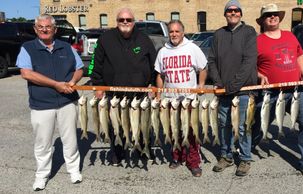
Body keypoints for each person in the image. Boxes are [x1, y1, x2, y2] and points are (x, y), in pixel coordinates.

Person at [16, 14, 83, 191]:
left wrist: (73, 82)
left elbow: (79, 69)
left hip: (68, 102)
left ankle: (74, 170)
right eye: (41, 27)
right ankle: (41, 175)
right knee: (42, 143)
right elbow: (26, 73)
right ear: (35, 29)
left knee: (70, 140)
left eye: (48, 27)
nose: (44, 30)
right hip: (41, 104)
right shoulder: (27, 48)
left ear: (54, 29)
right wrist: (55, 85)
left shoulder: (66, 47)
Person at [253, 3, 303, 179]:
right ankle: (246, 147)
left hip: (295, 90)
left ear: (279, 18)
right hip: (271, 93)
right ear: (263, 20)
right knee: (258, 125)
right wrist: (259, 75)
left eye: (275, 14)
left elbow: (299, 56)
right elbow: (250, 65)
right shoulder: (257, 41)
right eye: (269, 15)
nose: (273, 17)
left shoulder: (290, 36)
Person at [89, 8, 157, 165]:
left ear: (134, 22)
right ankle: (118, 153)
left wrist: (153, 84)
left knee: (142, 124)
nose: (125, 22)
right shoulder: (106, 38)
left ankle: (143, 150)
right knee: (116, 125)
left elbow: (154, 63)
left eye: (128, 20)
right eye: (121, 20)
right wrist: (98, 86)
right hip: (114, 92)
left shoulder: (144, 38)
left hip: (139, 93)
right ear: (116, 22)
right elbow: (95, 64)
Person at [208, 0, 258, 177]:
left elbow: (249, 61)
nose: (233, 13)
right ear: (225, 14)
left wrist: (232, 86)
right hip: (224, 91)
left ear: (241, 14)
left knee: (243, 126)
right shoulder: (218, 34)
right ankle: (226, 156)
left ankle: (245, 158)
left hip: (243, 90)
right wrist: (218, 81)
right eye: (230, 10)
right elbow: (212, 60)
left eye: (237, 10)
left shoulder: (249, 32)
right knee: (224, 125)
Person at [154, 20, 207, 177]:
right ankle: (177, 157)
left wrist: (201, 84)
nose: (174, 34)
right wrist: (158, 94)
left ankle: (193, 161)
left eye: (177, 31)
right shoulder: (163, 51)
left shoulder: (192, 48)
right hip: (171, 99)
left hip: (188, 99)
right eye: (171, 31)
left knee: (191, 131)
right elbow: (160, 75)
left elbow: (203, 68)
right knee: (173, 130)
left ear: (183, 32)